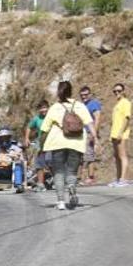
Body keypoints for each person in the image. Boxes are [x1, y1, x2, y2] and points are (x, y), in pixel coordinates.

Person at [40, 80, 94, 210]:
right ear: (71, 91)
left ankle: (60, 202)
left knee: (58, 172)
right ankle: (71, 186)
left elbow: (44, 129)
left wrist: (41, 146)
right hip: (76, 143)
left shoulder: (54, 107)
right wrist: (95, 137)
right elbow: (89, 123)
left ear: (59, 92)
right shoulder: (80, 106)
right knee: (72, 171)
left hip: (57, 143)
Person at [78, 85, 103, 185]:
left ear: (90, 94)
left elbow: (97, 118)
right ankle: (79, 178)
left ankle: (91, 177)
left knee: (89, 155)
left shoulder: (94, 104)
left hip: (89, 132)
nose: (84, 97)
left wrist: (94, 134)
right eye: (82, 95)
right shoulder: (82, 105)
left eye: (86, 94)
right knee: (81, 156)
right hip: (82, 133)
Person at [24, 101, 50, 191]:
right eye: (41, 108)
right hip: (40, 143)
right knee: (39, 163)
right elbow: (29, 127)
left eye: (45, 107)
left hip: (52, 142)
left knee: (52, 161)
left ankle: (59, 181)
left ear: (48, 108)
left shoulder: (52, 117)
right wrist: (26, 138)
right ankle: (40, 184)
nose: (43, 110)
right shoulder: (37, 119)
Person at [109, 83, 131, 187]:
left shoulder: (126, 102)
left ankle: (123, 179)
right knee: (117, 156)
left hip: (121, 134)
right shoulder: (117, 104)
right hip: (114, 133)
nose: (117, 93)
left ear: (123, 91)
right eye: (115, 91)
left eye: (119, 91)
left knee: (122, 155)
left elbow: (127, 118)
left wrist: (121, 132)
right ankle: (118, 178)